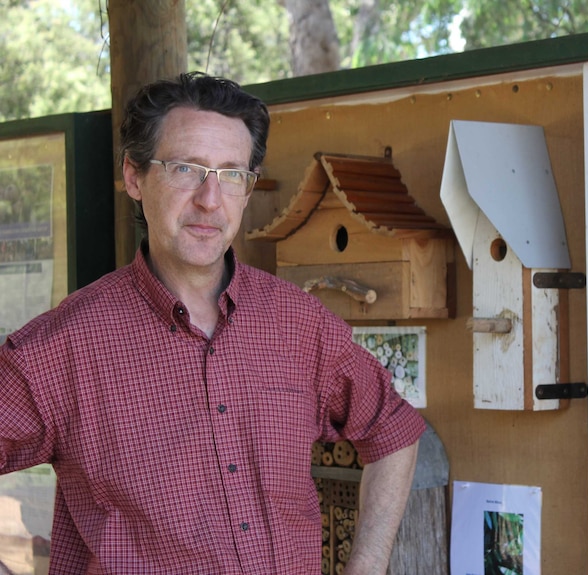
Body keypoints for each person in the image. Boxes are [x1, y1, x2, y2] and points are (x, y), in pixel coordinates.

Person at [0, 72, 425, 574]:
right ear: (134, 176)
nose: (209, 199)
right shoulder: (62, 348)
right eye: (186, 168)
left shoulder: (300, 325)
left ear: (247, 188)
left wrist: (368, 564)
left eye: (231, 174)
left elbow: (394, 430)